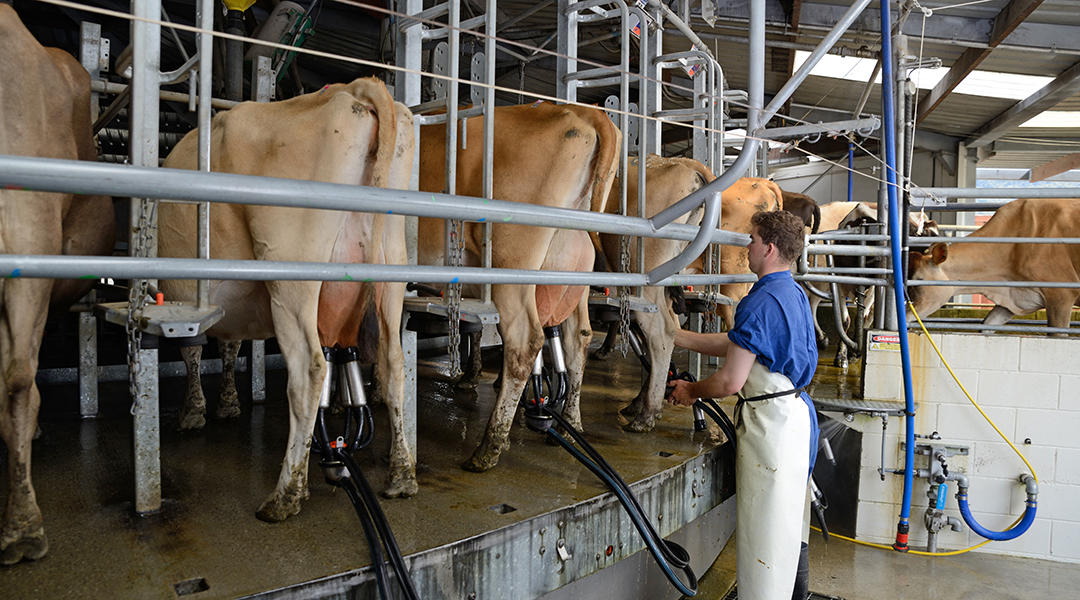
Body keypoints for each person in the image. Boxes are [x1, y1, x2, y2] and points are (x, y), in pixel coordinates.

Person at [667, 210, 820, 600]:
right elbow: (743, 345)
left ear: (768, 248)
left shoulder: (758, 301)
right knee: (789, 529)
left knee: (765, 538)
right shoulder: (792, 293)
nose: (746, 247)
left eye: (751, 240)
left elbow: (730, 380)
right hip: (797, 421)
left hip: (772, 432)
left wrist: (691, 391)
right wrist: (680, 337)